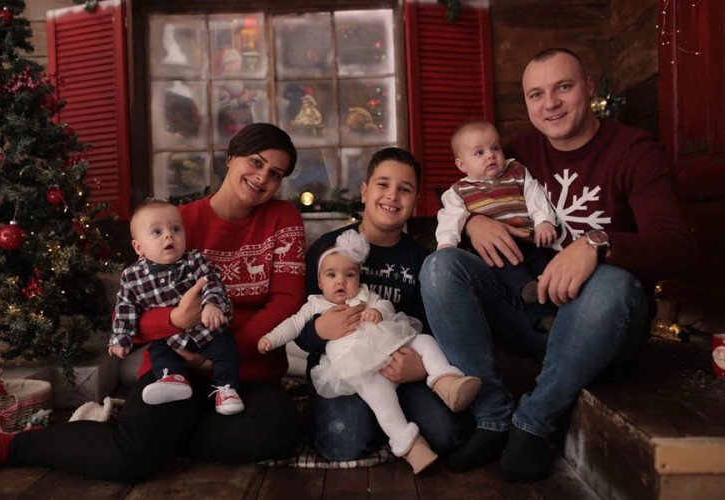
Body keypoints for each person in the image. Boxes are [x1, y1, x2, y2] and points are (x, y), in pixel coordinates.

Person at [420, 48, 696, 483]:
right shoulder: (517, 152)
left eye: (563, 87)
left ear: (588, 87)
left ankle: (532, 424)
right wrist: (472, 222)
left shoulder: (635, 151)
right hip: (532, 315)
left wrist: (598, 243)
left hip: (603, 324)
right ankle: (492, 417)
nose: (550, 104)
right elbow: (462, 188)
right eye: (537, 94)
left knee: (612, 282)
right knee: (440, 267)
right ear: (527, 103)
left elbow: (678, 246)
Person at [0, 123, 307, 483]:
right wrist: (176, 320)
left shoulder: (282, 216)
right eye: (256, 162)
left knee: (277, 430)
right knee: (126, 461)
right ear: (230, 158)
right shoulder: (174, 223)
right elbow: (131, 311)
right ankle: (10, 445)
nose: (262, 177)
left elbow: (286, 301)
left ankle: (154, 438)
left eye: (275, 174)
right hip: (175, 366)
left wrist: (219, 355)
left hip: (248, 370)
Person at [294, 147, 476, 462]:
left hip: (399, 368)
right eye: (383, 184)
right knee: (345, 442)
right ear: (365, 191)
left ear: (415, 201)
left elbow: (429, 326)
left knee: (447, 434)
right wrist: (319, 330)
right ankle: (374, 420)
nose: (392, 195)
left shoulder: (421, 260)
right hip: (346, 369)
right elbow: (299, 326)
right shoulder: (329, 249)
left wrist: (419, 368)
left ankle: (389, 419)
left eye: (404, 189)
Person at [259, 229, 482, 474]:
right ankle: (409, 445)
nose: (341, 281)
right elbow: (292, 325)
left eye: (349, 275)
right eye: (332, 275)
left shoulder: (366, 294)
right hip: (361, 368)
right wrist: (273, 338)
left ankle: (446, 381)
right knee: (371, 409)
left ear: (358, 277)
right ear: (320, 281)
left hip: (394, 351)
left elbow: (386, 306)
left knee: (426, 343)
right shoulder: (315, 304)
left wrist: (379, 313)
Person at [109, 200, 243, 415]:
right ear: (138, 247)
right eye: (157, 232)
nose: (169, 236)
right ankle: (172, 379)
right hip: (170, 339)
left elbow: (212, 281)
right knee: (158, 352)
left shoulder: (194, 260)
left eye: (175, 229)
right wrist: (121, 337)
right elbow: (126, 307)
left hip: (206, 331)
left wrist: (211, 304)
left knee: (225, 347)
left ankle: (226, 389)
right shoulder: (132, 276)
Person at [436, 119, 558, 323]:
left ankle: (552, 315)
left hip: (530, 241)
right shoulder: (459, 191)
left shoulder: (517, 173)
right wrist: (446, 244)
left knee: (545, 271)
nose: (490, 155)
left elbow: (535, 197)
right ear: (462, 164)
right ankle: (533, 302)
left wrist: (543, 221)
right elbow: (450, 218)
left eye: (495, 148)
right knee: (511, 274)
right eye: (479, 152)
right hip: (494, 248)